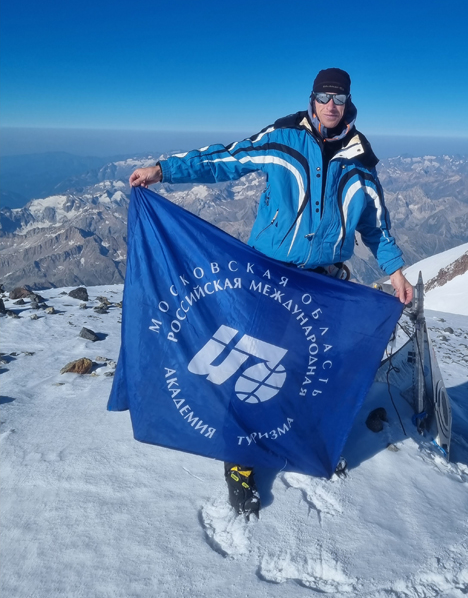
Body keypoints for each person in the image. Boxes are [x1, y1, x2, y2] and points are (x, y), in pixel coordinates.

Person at [130, 67, 413, 517]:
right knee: (251, 360)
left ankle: (300, 441)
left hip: (324, 284)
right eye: (325, 96)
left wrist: (395, 271)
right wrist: (162, 170)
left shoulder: (360, 160)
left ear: (349, 103)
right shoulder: (284, 139)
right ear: (312, 99)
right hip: (270, 277)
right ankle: (239, 460)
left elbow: (375, 227)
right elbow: (225, 159)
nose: (332, 105)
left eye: (339, 98)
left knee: (311, 367)